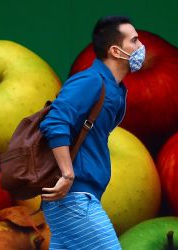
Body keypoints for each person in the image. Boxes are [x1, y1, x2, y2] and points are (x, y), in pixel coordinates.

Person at [40, 15, 145, 250]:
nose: (141, 47)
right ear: (116, 51)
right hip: (74, 198)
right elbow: (55, 120)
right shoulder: (90, 81)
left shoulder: (114, 89)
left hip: (78, 198)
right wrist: (67, 175)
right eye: (135, 41)